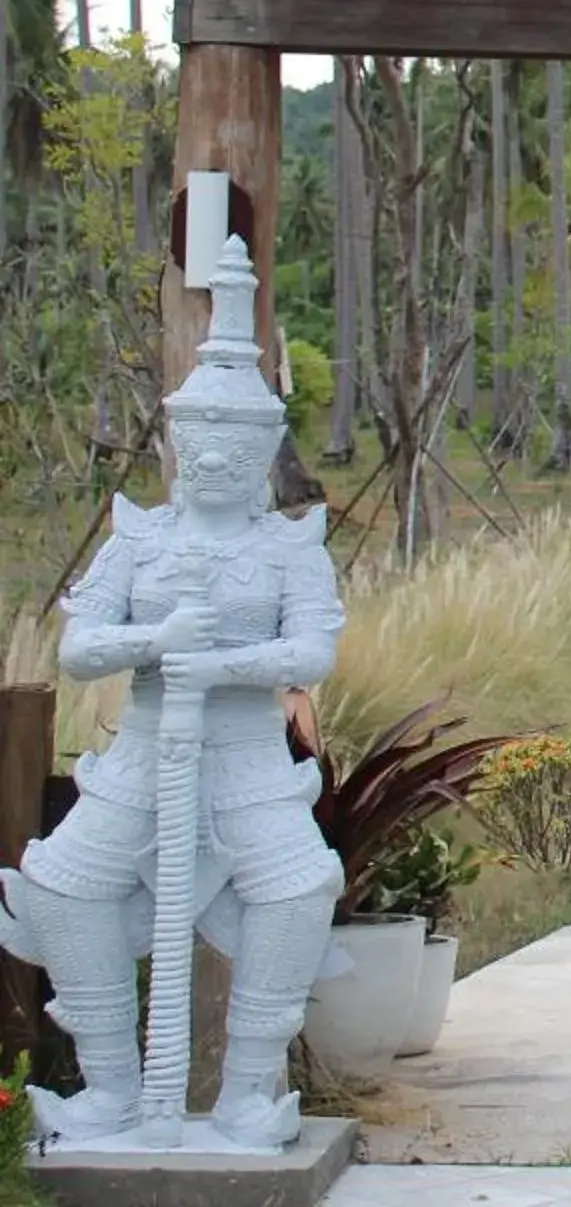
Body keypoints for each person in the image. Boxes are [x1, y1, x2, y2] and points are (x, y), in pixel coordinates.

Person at [0, 238, 344, 1150]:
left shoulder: (286, 547)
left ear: (264, 451)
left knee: (302, 888)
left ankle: (243, 1093)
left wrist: (227, 666)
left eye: (241, 450)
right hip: (148, 747)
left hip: (241, 753)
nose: (221, 464)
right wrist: (156, 644)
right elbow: (80, 647)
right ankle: (112, 1087)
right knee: (64, 891)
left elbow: (313, 647)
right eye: (206, 447)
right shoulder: (139, 541)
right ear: (182, 444)